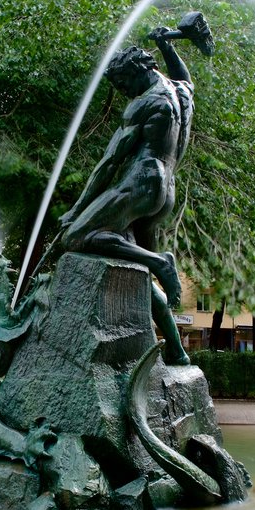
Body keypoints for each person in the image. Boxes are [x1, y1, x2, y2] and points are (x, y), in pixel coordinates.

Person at [59, 28, 196, 365]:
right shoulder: (181, 93)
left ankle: (160, 261)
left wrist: (76, 210)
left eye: (122, 84)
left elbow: (109, 162)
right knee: (136, 267)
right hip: (166, 193)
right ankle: (178, 352)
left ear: (137, 71)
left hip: (141, 181)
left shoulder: (142, 104)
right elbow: (183, 74)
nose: (122, 92)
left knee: (78, 236)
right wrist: (166, 44)